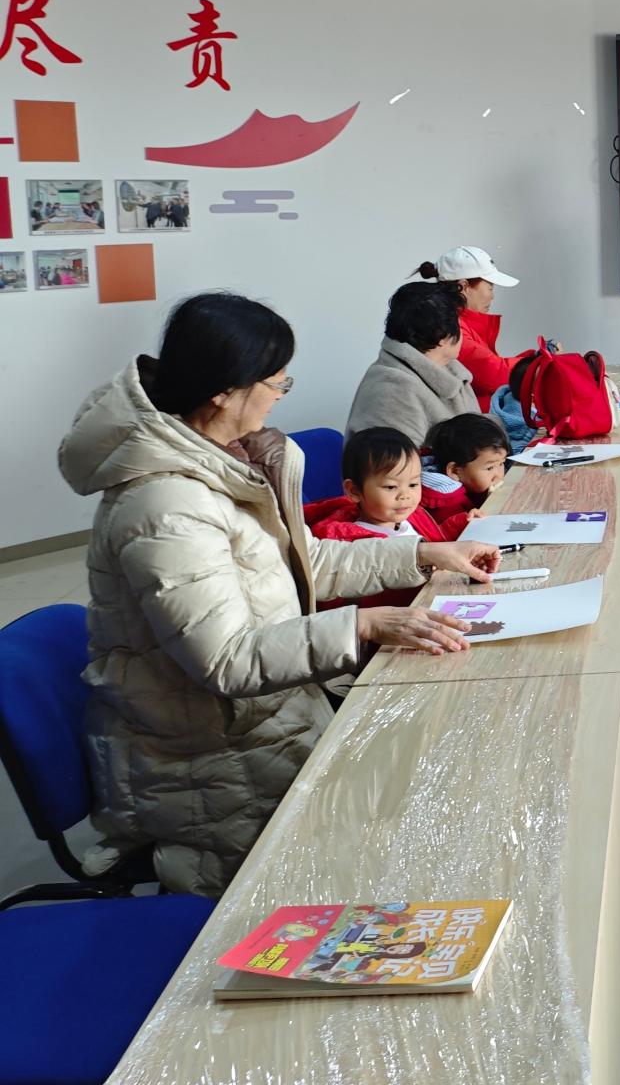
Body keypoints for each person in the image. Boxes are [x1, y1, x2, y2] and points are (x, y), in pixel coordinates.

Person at [58, 293, 495, 896]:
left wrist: (423, 553)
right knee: (420, 833)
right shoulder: (165, 504)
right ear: (225, 391)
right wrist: (363, 626)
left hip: (272, 719)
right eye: (277, 382)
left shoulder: (223, 464)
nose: (281, 395)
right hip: (212, 765)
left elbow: (306, 563)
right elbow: (226, 659)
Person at [305, 427, 457, 610]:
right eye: (391, 487)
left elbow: (437, 539)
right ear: (354, 491)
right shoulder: (348, 544)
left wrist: (464, 522)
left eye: (413, 484)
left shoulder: (411, 516)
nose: (405, 495)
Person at [346, 281, 480, 444]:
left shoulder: (449, 369)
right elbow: (396, 460)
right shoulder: (392, 390)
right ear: (442, 336)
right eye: (459, 324)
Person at [414, 246, 531, 401]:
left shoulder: (458, 322)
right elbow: (496, 376)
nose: (492, 296)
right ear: (464, 287)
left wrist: (535, 357)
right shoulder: (448, 328)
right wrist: (540, 362)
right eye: (490, 288)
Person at [421, 412, 511, 536]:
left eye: (501, 463)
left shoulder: (470, 482)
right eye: (490, 468)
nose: (499, 475)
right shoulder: (445, 504)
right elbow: (458, 538)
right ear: (455, 471)